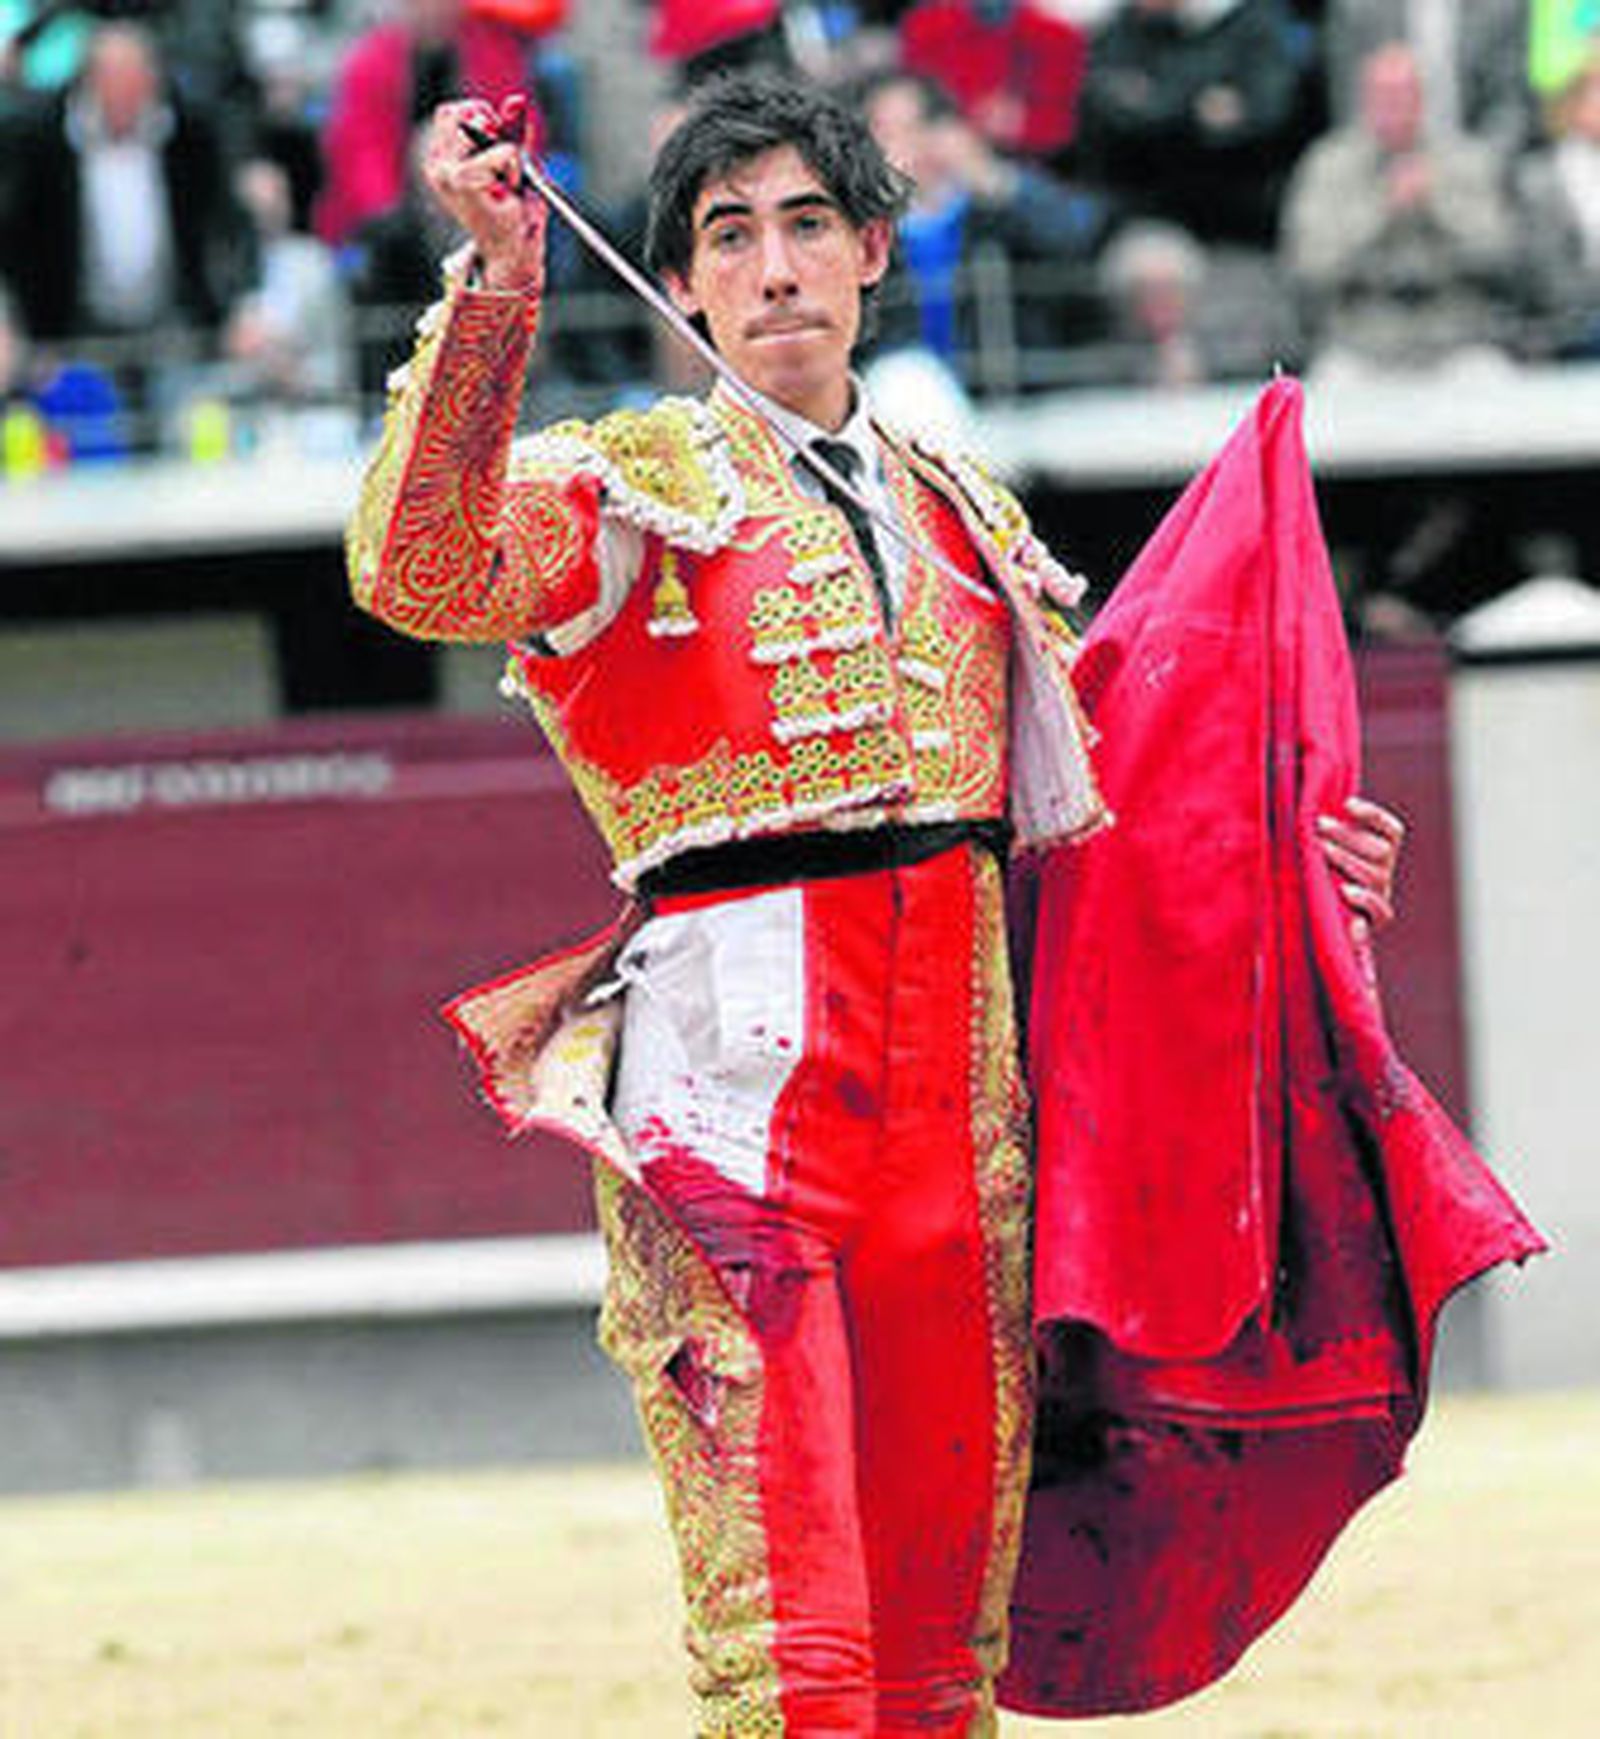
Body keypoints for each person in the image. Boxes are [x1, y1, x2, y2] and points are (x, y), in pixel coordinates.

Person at [346, 71, 1537, 1731]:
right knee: (798, 1650)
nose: (772, 271)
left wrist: (1297, 869)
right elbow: (418, 568)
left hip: (957, 1155)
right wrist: (494, 288)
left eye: (807, 228)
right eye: (728, 236)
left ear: (875, 255)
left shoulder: (967, 520)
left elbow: (1106, 826)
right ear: (680, 281)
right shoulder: (632, 496)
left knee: (936, 1659)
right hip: (724, 1127)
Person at [1282, 39, 1521, 383]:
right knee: (1330, 385)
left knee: (1493, 381)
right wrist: (1380, 210)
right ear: (1364, 100)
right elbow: (1309, 267)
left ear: (1424, 99)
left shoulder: (1465, 160)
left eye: (1404, 94)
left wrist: (1438, 206)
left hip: (1455, 340)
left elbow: (1503, 255)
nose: (1394, 106)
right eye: (1383, 95)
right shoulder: (1328, 165)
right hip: (1361, 343)